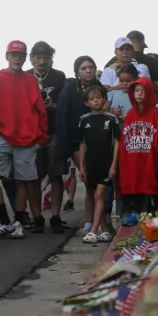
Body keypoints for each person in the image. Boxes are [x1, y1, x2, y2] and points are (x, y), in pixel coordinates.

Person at [0, 40, 46, 237]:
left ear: (25, 58)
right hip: (2, 136)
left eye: (20, 55)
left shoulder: (30, 80)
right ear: (6, 56)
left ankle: (18, 221)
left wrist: (42, 136)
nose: (17, 58)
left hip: (27, 138)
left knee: (23, 181)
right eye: (13, 54)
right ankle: (4, 220)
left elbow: (40, 109)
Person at [118, 77, 158, 215]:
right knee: (135, 185)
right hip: (133, 160)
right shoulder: (130, 115)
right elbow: (124, 141)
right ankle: (136, 212)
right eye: (136, 91)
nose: (139, 94)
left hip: (150, 159)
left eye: (143, 91)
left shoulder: (155, 114)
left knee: (154, 185)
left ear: (150, 93)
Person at [55, 56, 101, 233]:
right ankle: (89, 221)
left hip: (100, 141)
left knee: (101, 183)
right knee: (89, 180)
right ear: (77, 71)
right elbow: (62, 117)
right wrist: (64, 145)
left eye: (91, 67)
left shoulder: (100, 88)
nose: (88, 70)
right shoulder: (69, 90)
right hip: (77, 142)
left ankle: (100, 219)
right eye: (84, 68)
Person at [28, 41, 69, 232]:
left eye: (45, 58)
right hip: (32, 133)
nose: (42, 61)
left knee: (56, 174)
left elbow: (64, 107)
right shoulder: (26, 77)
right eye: (38, 57)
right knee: (33, 177)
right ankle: (36, 217)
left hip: (53, 131)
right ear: (32, 58)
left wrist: (51, 105)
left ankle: (55, 216)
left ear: (51, 59)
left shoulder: (59, 77)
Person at [77, 85, 120, 244]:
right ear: (87, 102)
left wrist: (114, 165)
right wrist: (81, 166)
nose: (96, 101)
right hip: (90, 163)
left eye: (99, 97)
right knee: (94, 196)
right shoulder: (83, 120)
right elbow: (82, 144)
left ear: (104, 99)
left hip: (106, 163)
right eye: (92, 98)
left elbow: (117, 142)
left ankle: (93, 230)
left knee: (100, 194)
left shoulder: (111, 118)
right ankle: (105, 230)